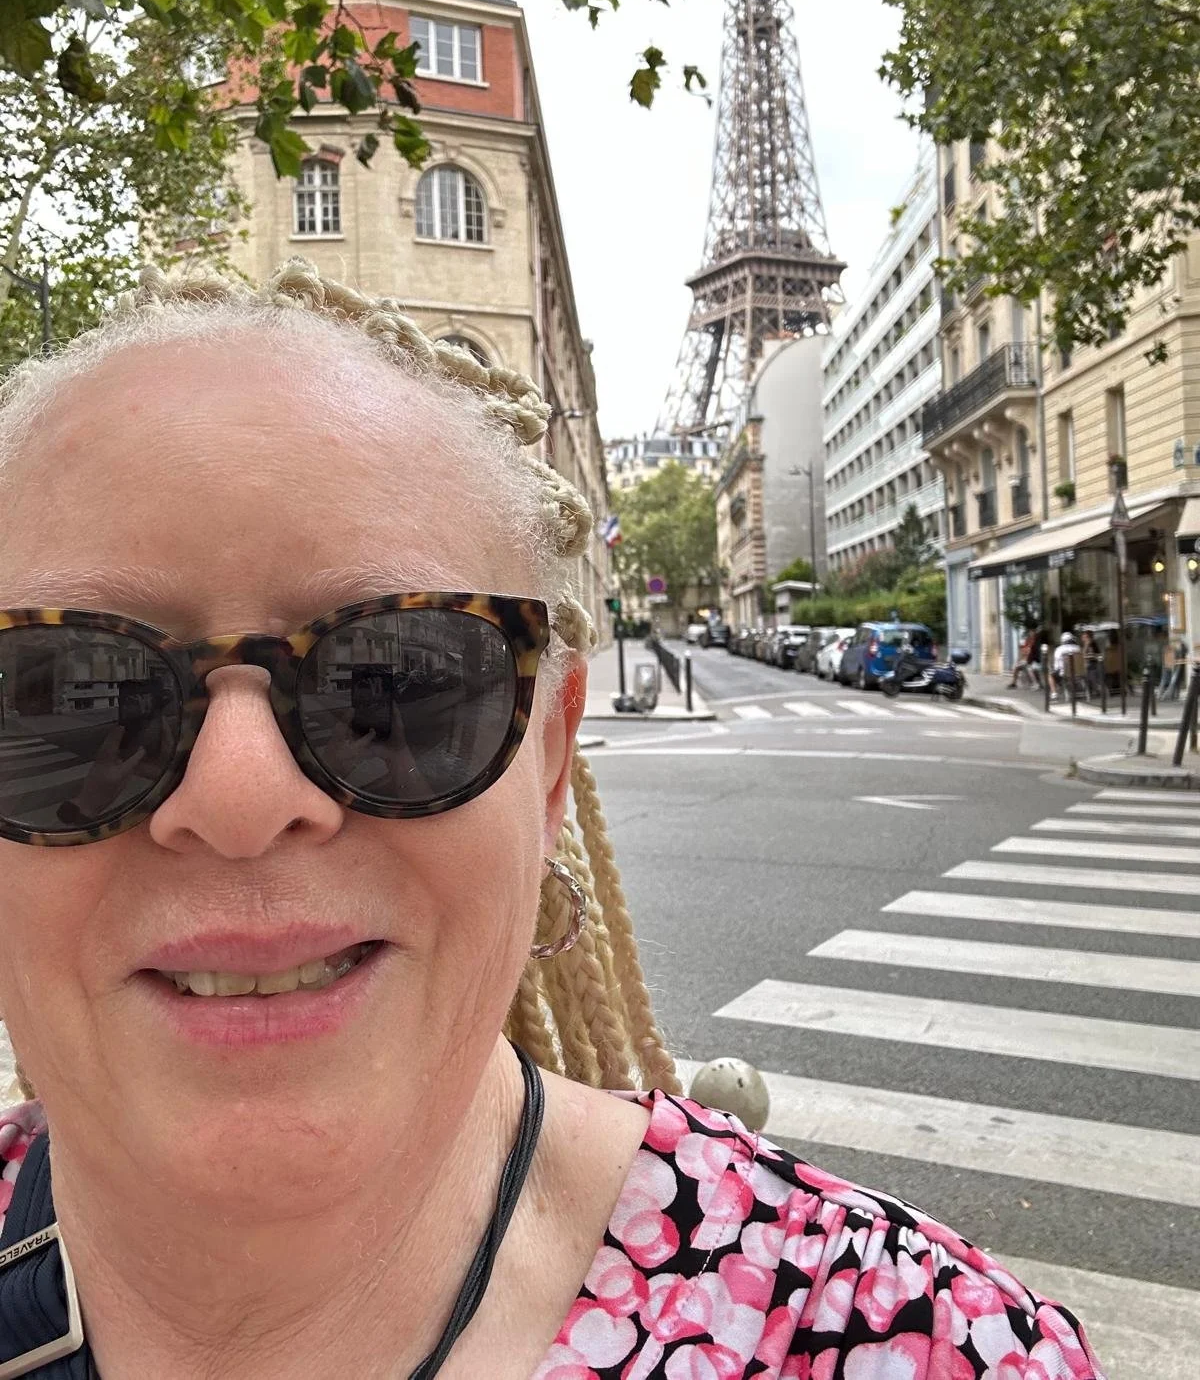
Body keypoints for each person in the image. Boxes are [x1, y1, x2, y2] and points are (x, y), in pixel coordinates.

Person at [0, 263, 1106, 1379]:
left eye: (401, 682)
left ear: (549, 764)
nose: (239, 800)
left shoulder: (932, 1347)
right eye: (62, 695)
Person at [1052, 630, 1082, 700]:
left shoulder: (1059, 649)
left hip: (1065, 673)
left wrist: (1055, 670)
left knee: (1050, 675)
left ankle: (1054, 694)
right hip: (1079, 672)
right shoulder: (1078, 648)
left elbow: (1056, 666)